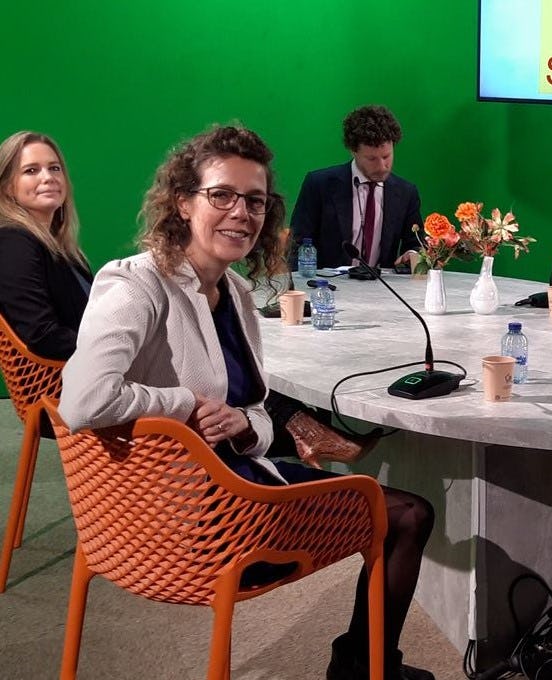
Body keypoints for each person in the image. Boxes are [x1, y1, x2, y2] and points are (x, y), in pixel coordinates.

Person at [59, 126, 435, 680]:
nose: (241, 212)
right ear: (183, 203)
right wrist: (184, 404)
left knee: (390, 503)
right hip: (197, 522)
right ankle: (362, 667)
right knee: (408, 515)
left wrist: (240, 422)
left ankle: (362, 662)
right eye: (221, 195)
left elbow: (255, 410)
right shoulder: (135, 282)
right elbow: (82, 399)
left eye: (254, 201)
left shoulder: (235, 292)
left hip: (229, 488)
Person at [290, 105, 422, 269]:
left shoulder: (406, 193)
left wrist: (412, 254)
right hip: (327, 282)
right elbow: (297, 245)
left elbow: (416, 243)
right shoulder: (319, 185)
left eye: (386, 156)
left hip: (382, 283)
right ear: (353, 151)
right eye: (372, 159)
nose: (382, 166)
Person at [0, 132, 93, 359]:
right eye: (31, 170)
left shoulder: (67, 252)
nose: (48, 177)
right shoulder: (13, 243)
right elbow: (42, 335)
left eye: (54, 168)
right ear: (7, 187)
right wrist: (115, 350)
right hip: (67, 377)